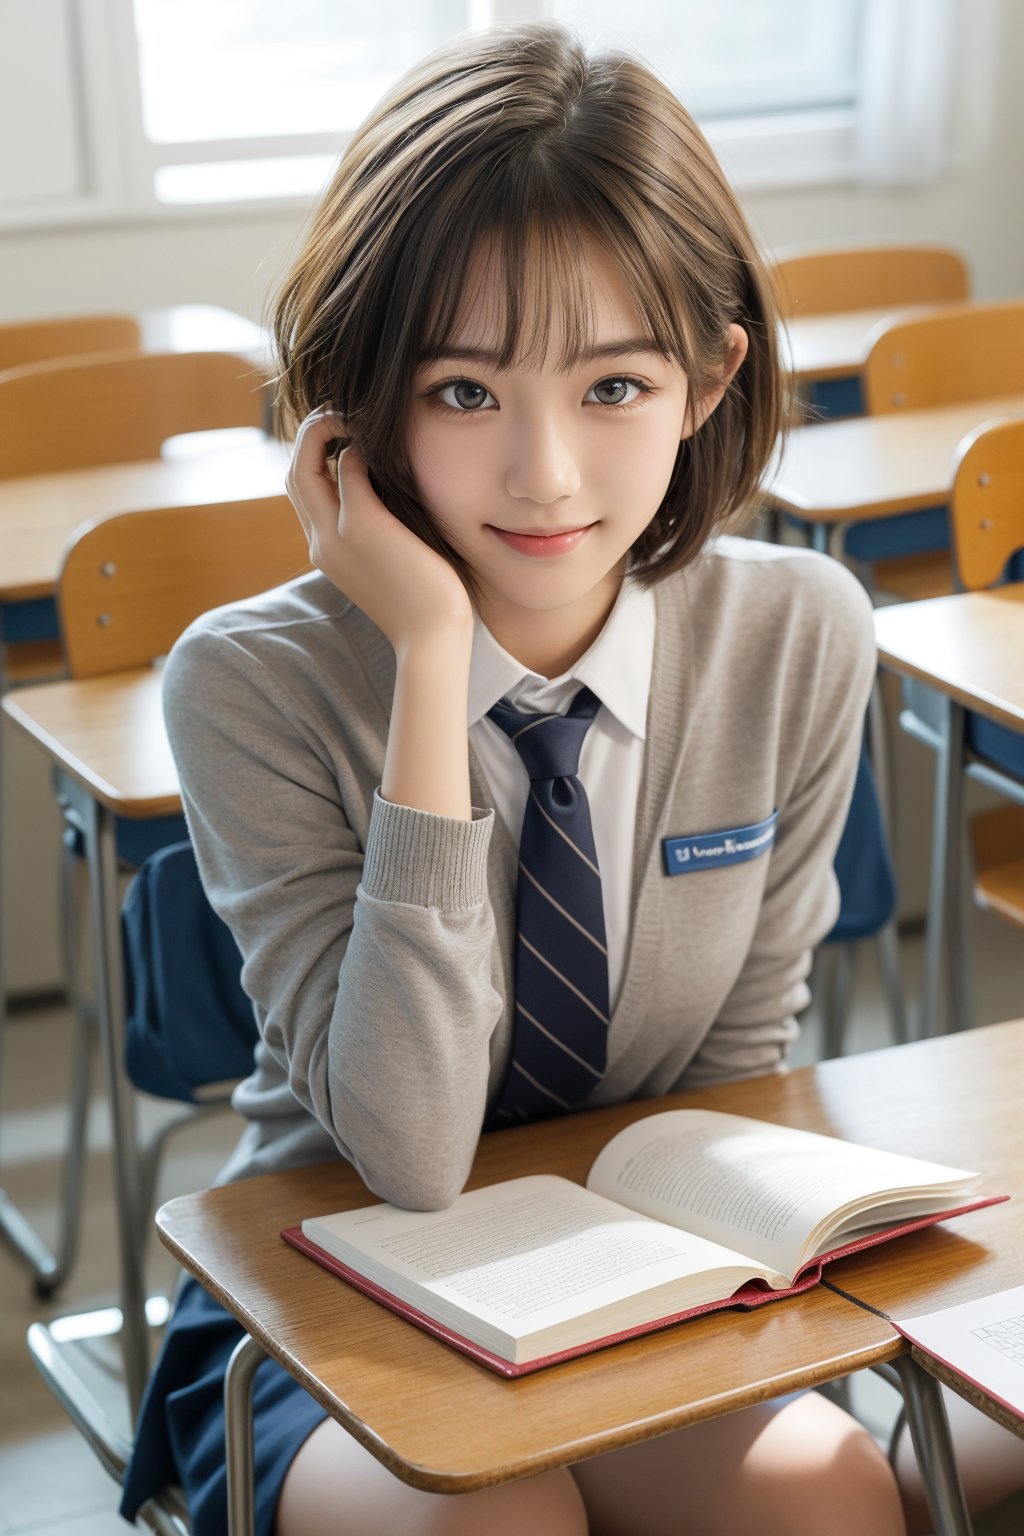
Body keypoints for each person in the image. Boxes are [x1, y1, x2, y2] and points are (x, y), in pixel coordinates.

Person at [121, 20, 911, 1536]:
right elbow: (407, 1158)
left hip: (635, 1269)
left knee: (828, 1491)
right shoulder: (251, 680)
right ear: (358, 409)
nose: (546, 472)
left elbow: (736, 1064)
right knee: (496, 1523)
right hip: (330, 1280)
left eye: (614, 387)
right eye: (467, 394)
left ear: (708, 376)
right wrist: (428, 658)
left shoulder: (797, 630)